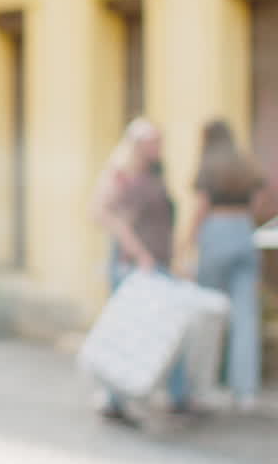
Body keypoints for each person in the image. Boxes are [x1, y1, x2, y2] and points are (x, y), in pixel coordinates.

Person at [91, 118, 190, 423]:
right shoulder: (121, 174)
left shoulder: (156, 174)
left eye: (160, 141)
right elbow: (102, 213)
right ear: (137, 145)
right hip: (133, 265)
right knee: (128, 333)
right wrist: (139, 252)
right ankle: (114, 399)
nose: (159, 147)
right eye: (153, 142)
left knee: (169, 329)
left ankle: (177, 396)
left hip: (159, 262)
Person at [187, 119, 267, 412]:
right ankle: (245, 390)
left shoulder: (208, 165)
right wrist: (245, 218)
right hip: (243, 229)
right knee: (245, 316)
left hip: (216, 229)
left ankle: (203, 384)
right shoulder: (245, 163)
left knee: (209, 311)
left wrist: (188, 240)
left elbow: (201, 206)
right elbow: (259, 198)